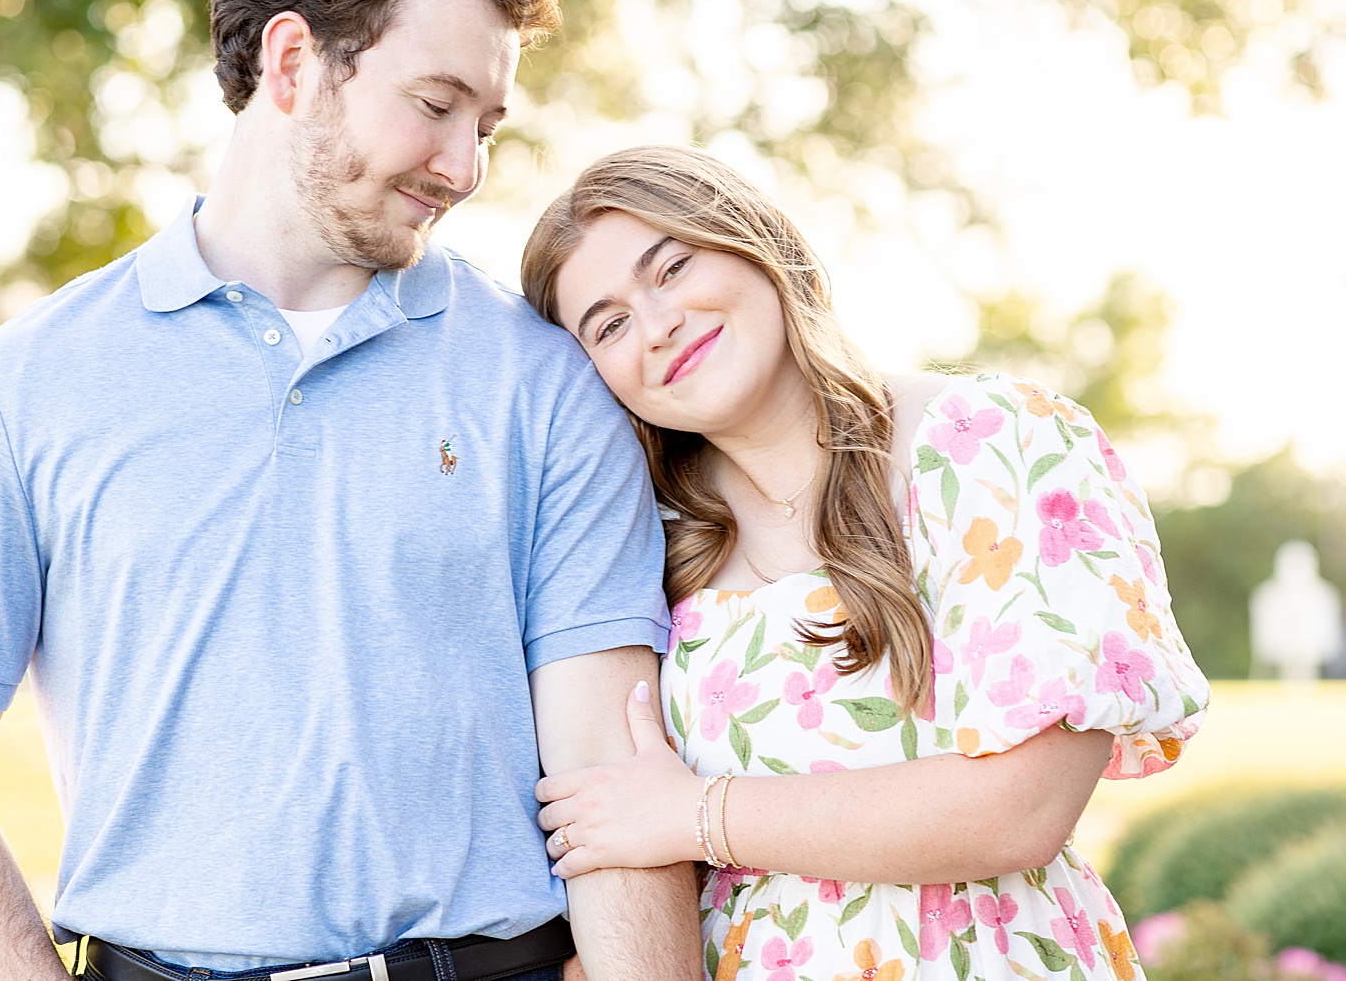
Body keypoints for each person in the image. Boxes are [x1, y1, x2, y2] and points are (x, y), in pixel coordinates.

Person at [0, 0, 703, 981]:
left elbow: (610, 775)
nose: (466, 166)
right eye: (436, 104)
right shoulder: (24, 387)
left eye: (487, 124)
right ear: (295, 62)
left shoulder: (545, 386)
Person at [518, 146, 1209, 981]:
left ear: (753, 241)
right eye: (609, 324)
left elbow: (1023, 806)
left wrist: (696, 814)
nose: (657, 323)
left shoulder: (998, 445)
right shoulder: (648, 548)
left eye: (672, 267)